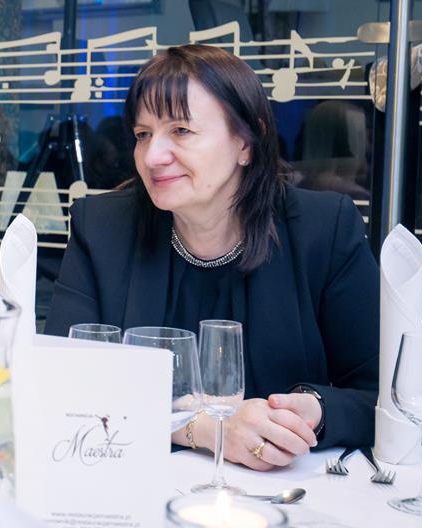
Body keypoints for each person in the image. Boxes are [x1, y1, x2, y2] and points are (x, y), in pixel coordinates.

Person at [45, 44, 379, 471]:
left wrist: (314, 409)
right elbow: (63, 384)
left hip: (289, 493)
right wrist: (201, 428)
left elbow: (383, 394)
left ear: (246, 142)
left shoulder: (321, 230)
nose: (152, 156)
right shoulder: (103, 229)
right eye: (143, 134)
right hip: (140, 486)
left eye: (181, 130)